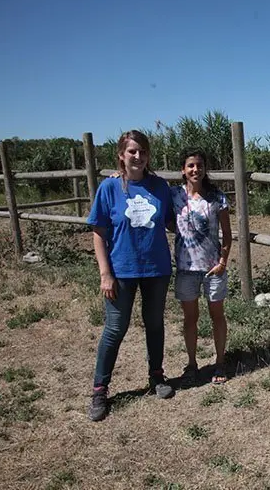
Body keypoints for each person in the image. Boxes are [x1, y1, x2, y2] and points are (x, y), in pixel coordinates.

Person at [86, 130, 176, 422]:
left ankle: (157, 376)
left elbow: (175, 221)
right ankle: (100, 388)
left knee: (154, 324)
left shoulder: (160, 187)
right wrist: (105, 273)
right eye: (132, 152)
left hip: (157, 269)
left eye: (143, 152)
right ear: (121, 155)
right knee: (115, 328)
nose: (138, 157)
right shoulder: (109, 188)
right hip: (121, 270)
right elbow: (99, 233)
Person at [171, 147, 232, 385]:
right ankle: (192, 364)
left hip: (212, 268)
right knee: (190, 318)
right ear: (183, 170)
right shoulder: (174, 195)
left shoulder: (217, 197)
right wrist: (119, 174)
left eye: (199, 165)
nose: (195, 169)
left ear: (205, 169)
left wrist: (222, 261)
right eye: (190, 166)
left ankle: (220, 361)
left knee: (217, 316)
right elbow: (147, 185)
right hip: (186, 269)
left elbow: (227, 234)